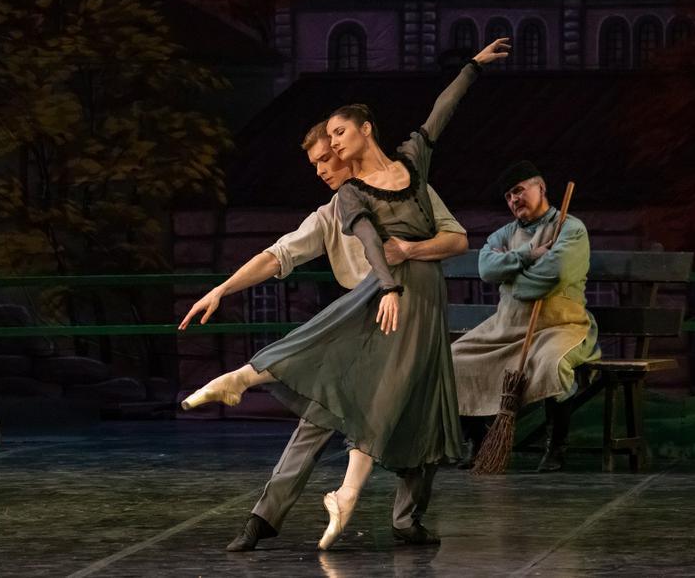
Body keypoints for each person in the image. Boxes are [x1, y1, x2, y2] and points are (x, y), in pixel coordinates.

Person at [181, 38, 509, 549]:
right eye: (319, 159)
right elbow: (276, 255)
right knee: (319, 415)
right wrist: (222, 288)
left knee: (418, 412)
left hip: (407, 311)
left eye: (328, 155)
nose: (323, 167)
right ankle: (264, 517)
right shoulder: (337, 209)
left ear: (353, 143)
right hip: (365, 321)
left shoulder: (410, 180)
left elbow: (455, 238)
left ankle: (405, 518)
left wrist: (409, 251)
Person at [452, 161, 601, 472]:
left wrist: (513, 281)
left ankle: (555, 447)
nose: (514, 200)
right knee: (453, 360)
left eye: (519, 190)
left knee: (551, 363)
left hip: (560, 326)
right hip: (505, 328)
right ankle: (478, 442)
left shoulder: (570, 228)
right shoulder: (503, 235)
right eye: (508, 196)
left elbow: (556, 272)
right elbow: (486, 269)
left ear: (540, 187)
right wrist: (529, 255)